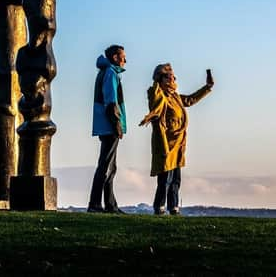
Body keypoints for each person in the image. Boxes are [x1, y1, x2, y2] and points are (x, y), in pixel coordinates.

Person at [139, 64, 214, 215]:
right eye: (171, 76)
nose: (175, 79)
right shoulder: (159, 94)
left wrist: (207, 87)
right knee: (165, 178)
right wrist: (156, 82)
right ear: (163, 79)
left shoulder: (175, 96)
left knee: (175, 179)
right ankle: (159, 206)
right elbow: (154, 97)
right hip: (166, 143)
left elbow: (190, 100)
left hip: (178, 144)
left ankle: (174, 207)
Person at [88, 45, 127, 213]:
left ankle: (110, 204)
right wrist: (117, 125)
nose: (125, 60)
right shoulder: (110, 73)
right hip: (109, 126)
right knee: (105, 166)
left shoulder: (106, 72)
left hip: (106, 125)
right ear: (115, 57)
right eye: (123, 56)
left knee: (110, 166)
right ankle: (96, 204)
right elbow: (111, 102)